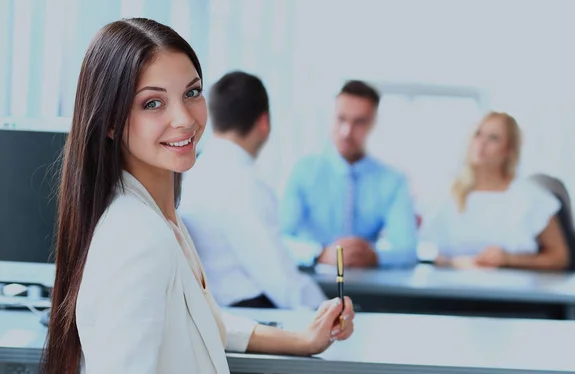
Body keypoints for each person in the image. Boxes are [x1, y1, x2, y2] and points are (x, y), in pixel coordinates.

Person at [42, 18, 354, 374]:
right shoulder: (138, 238)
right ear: (111, 122)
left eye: (191, 93)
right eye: (152, 103)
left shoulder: (162, 218)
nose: (185, 119)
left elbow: (206, 323)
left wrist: (303, 339)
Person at [179, 71, 327, 309]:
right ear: (263, 123)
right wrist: (329, 311)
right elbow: (280, 280)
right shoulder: (243, 183)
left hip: (213, 314)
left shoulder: (191, 175)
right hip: (249, 312)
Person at [281, 80, 418, 268]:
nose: (347, 131)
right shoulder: (303, 170)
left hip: (368, 288)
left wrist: (374, 256)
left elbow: (408, 249)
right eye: (341, 119)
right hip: (312, 284)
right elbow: (280, 239)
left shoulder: (393, 181)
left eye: (359, 122)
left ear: (373, 123)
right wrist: (320, 253)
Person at [419, 111, 570, 270]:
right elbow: (424, 250)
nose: (481, 143)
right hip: (451, 288)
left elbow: (560, 257)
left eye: (493, 138)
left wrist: (509, 260)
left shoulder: (530, 197)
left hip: (513, 291)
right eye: (478, 134)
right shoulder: (446, 194)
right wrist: (452, 262)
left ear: (509, 150)